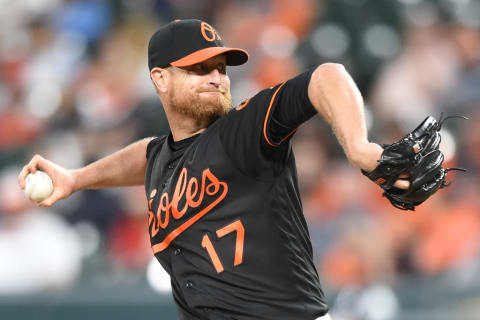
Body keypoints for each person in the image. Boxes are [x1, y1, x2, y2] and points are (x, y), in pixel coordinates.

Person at [18, 19, 408, 320]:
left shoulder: (243, 131)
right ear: (161, 79)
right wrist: (76, 178)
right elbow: (148, 155)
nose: (217, 78)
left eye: (221, 68)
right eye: (199, 68)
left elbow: (326, 77)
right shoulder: (162, 159)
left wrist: (360, 147)